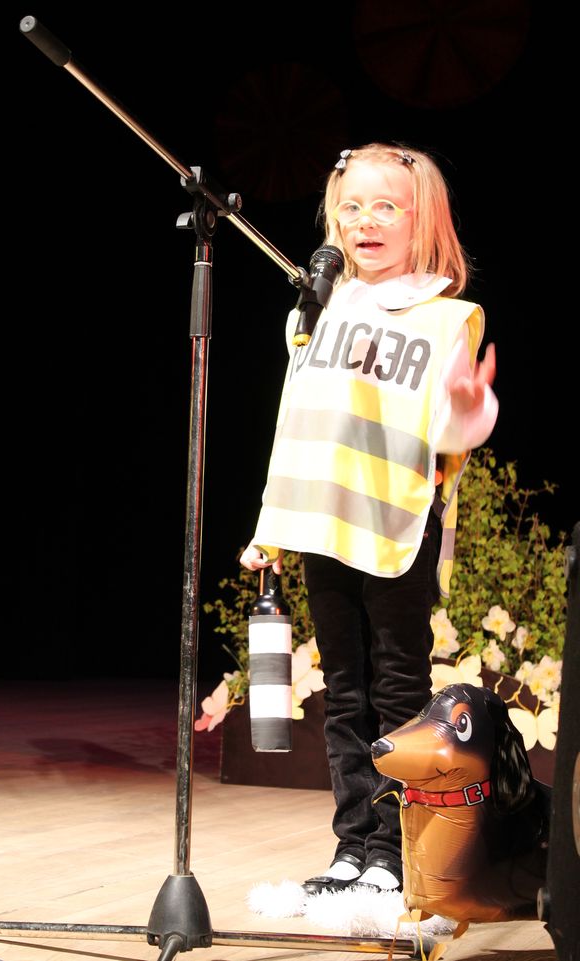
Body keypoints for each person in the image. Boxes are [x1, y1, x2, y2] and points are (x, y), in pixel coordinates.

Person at [240, 142, 498, 897]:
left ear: (423, 220)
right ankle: (352, 844)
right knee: (344, 692)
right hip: (323, 525)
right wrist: (269, 527)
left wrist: (469, 405)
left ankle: (393, 850)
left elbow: (453, 430)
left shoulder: (447, 318)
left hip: (394, 526)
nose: (366, 221)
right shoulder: (318, 309)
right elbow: (297, 423)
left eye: (386, 206)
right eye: (351, 207)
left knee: (398, 691)